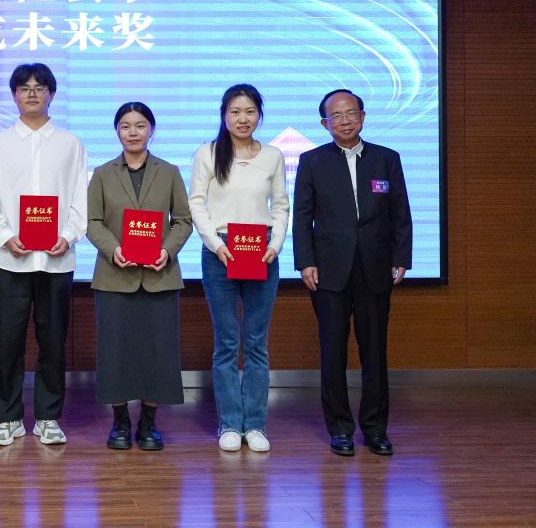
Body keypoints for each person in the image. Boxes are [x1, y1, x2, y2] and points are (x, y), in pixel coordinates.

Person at [0, 63, 88, 446]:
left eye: (40, 87)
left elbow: (81, 197)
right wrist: (4, 236)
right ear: (14, 96)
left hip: (56, 259)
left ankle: (48, 417)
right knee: (8, 341)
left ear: (51, 94)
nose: (32, 93)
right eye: (24, 88)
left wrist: (68, 235)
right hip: (10, 259)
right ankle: (8, 419)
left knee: (53, 341)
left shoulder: (70, 144)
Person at [293, 89, 411, 457]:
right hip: (328, 269)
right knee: (333, 351)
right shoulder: (312, 161)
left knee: (375, 352)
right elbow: (302, 216)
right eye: (336, 116)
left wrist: (401, 257)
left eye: (351, 113)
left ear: (362, 116)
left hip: (376, 267)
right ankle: (340, 429)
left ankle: (375, 429)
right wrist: (305, 261)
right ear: (324, 123)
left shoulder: (387, 159)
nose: (345, 121)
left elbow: (401, 213)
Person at [188, 84, 289, 453]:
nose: (242, 119)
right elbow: (196, 203)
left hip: (262, 252)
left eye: (249, 111)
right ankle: (230, 424)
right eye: (235, 112)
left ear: (259, 114)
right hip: (220, 252)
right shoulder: (207, 153)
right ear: (224, 115)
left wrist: (275, 245)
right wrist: (216, 245)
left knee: (257, 342)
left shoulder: (273, 156)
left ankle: (256, 425)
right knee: (228, 342)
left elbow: (281, 206)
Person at [87, 102, 192, 451]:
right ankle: (119, 422)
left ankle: (149, 423)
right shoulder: (102, 173)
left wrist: (167, 250)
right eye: (125, 126)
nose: (133, 132)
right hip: (114, 276)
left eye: (140, 125)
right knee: (115, 351)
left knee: (157, 352)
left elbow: (183, 221)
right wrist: (112, 248)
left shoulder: (169, 172)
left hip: (160, 276)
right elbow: (92, 222)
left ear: (152, 130)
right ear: (116, 131)